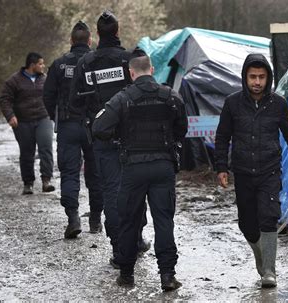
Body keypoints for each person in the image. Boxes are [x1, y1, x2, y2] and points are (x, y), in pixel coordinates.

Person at [92, 54, 187, 290]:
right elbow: (181, 128)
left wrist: (119, 138)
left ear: (131, 73)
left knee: (129, 221)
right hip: (163, 166)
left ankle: (126, 274)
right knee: (164, 221)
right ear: (152, 69)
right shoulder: (170, 96)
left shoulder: (123, 98)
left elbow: (99, 127)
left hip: (133, 167)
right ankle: (167, 276)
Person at [214, 53, 288, 288]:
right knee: (247, 224)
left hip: (269, 171)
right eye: (252, 77)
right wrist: (221, 168)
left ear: (268, 78)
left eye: (262, 77)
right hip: (244, 172)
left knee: (268, 218)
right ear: (245, 77)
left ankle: (269, 271)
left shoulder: (277, 104)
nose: (257, 82)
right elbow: (222, 136)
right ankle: (262, 257)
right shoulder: (232, 103)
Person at [69, 10, 149, 267]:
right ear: (117, 32)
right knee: (136, 190)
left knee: (112, 193)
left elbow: (74, 102)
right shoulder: (130, 60)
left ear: (97, 34)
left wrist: (91, 120)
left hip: (102, 138)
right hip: (133, 137)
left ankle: (119, 248)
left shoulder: (86, 63)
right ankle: (135, 240)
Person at [43, 21, 104, 239]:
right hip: (95, 126)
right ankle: (96, 219)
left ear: (71, 40)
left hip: (68, 125)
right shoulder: (98, 63)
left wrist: (56, 117)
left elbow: (48, 97)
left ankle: (73, 218)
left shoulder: (59, 65)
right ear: (90, 40)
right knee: (96, 174)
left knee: (69, 172)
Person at [0, 52, 55, 195]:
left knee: (46, 148)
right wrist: (10, 116)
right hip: (23, 121)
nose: (43, 66)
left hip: (44, 118)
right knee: (27, 152)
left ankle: (46, 181)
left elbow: (53, 95)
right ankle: (28, 183)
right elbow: (4, 100)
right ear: (32, 65)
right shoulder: (14, 81)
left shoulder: (45, 79)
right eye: (40, 64)